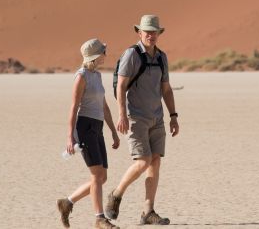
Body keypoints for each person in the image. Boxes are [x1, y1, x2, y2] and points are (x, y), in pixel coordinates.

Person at [105, 15, 179, 225]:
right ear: (139, 33)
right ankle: (116, 194)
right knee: (142, 161)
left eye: (154, 31)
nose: (150, 35)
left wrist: (173, 116)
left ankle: (148, 211)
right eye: (147, 31)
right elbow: (121, 86)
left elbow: (166, 89)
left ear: (158, 33)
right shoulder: (132, 55)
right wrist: (121, 114)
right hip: (136, 117)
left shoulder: (162, 58)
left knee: (155, 162)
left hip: (157, 118)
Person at [57, 38, 120, 229]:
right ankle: (99, 218)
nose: (105, 55)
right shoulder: (81, 76)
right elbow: (73, 107)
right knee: (96, 175)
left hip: (98, 127)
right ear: (95, 56)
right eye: (103, 52)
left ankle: (67, 202)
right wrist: (70, 136)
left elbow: (104, 106)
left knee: (102, 177)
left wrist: (113, 132)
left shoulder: (97, 76)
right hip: (84, 128)